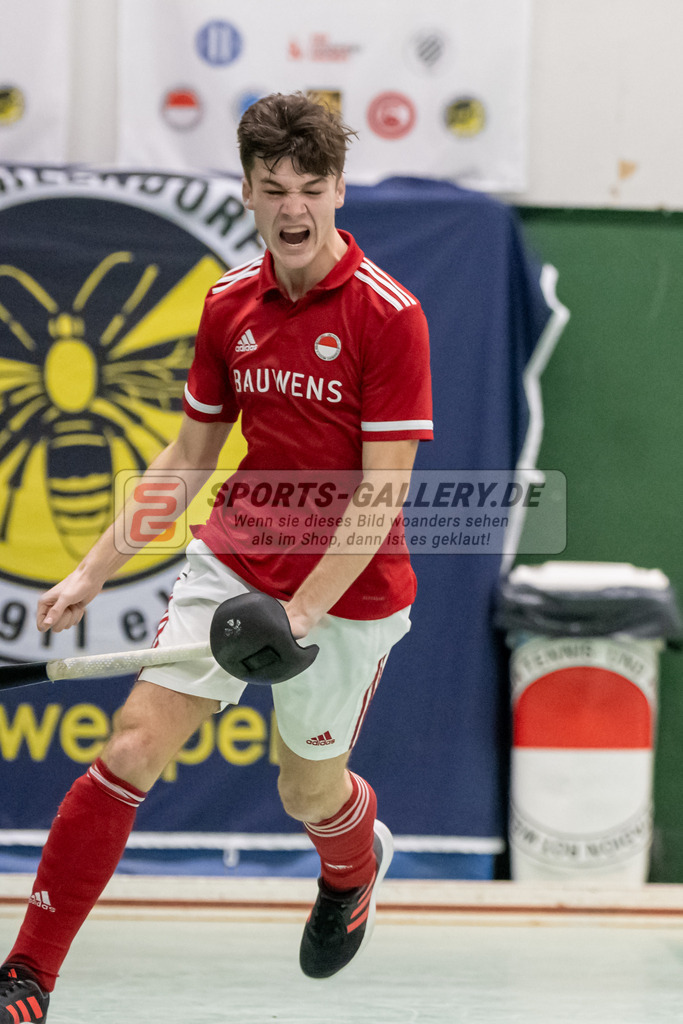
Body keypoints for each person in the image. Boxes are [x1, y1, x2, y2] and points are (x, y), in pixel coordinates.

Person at [0, 92, 432, 1021]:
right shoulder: (229, 302)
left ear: (339, 189)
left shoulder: (388, 315)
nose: (292, 208)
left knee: (304, 789)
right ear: (246, 192)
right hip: (238, 559)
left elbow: (383, 491)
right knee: (132, 743)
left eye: (310, 187)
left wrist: (303, 612)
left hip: (347, 592)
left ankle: (352, 865)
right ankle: (28, 975)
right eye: (273, 188)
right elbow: (191, 456)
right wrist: (92, 569)